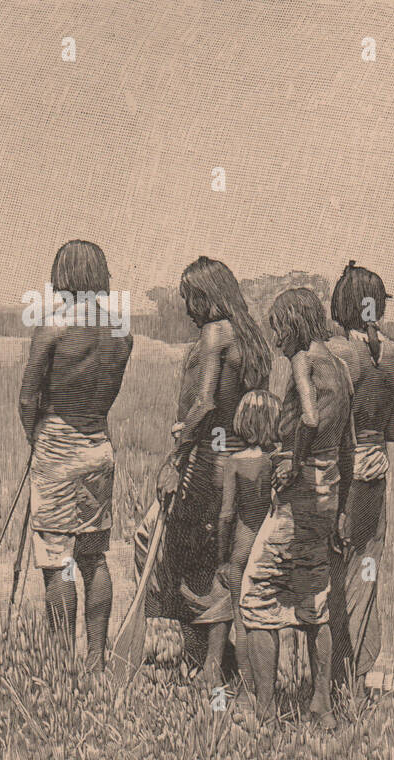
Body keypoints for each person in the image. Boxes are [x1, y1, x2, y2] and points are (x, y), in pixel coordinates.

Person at [135, 257, 272, 688]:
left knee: (162, 545)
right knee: (219, 559)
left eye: (189, 299)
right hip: (243, 463)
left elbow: (206, 403)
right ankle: (215, 659)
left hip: (208, 463)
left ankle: (206, 661)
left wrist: (175, 459)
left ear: (207, 296)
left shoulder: (215, 334)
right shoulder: (251, 337)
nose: (187, 309)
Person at [239, 287, 354, 729]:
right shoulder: (341, 367)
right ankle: (321, 707)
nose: (276, 341)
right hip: (328, 496)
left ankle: (265, 714)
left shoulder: (303, 360)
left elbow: (308, 418)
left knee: (256, 594)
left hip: (300, 495)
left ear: (292, 326)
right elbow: (349, 444)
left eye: (278, 330)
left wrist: (294, 461)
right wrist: (341, 511)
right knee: (314, 600)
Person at [17, 240, 132, 670]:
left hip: (58, 447)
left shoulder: (52, 327)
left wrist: (37, 440)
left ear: (62, 276)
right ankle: (97, 660)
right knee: (93, 555)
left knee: (56, 559)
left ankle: (63, 663)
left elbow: (28, 398)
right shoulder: (122, 331)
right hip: (99, 445)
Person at [325, 261, 394, 695]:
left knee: (331, 572)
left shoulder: (336, 353)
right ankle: (355, 678)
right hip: (377, 469)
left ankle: (335, 680)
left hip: (340, 473)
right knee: (366, 573)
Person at [215, 389, 280, 688]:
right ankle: (265, 684)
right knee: (265, 623)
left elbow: (227, 514)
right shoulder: (274, 462)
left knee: (241, 624)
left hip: (241, 548)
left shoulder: (235, 462)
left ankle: (247, 688)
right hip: (266, 548)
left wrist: (221, 558)